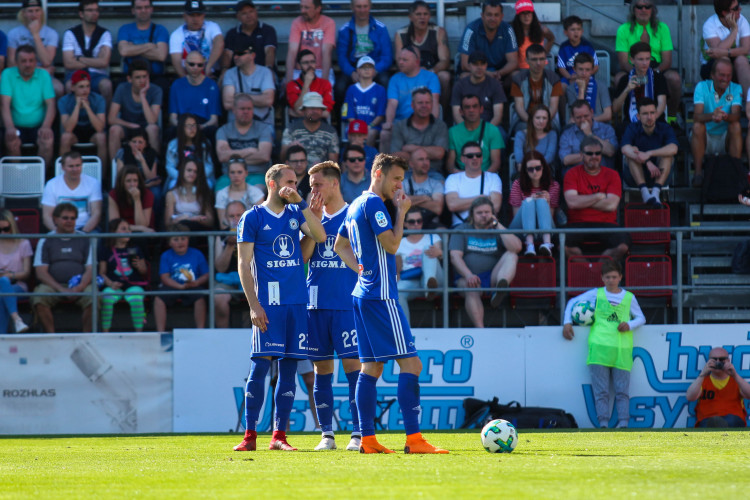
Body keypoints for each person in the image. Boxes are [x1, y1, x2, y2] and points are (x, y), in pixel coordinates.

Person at [333, 153, 448, 454]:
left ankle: (367, 440)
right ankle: (414, 439)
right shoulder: (373, 204)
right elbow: (393, 245)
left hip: (362, 294)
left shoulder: (355, 203)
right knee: (412, 363)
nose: (399, 185)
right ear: (379, 173)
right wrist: (401, 212)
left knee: (371, 369)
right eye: (396, 178)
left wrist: (359, 269)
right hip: (381, 296)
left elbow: (339, 245)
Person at [233, 163, 326, 452]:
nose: (294, 187)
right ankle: (249, 436)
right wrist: (253, 305)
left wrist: (305, 207)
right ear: (272, 184)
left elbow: (320, 237)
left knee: (288, 371)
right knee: (260, 367)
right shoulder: (253, 217)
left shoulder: (297, 214)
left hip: (297, 304)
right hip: (268, 306)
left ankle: (279, 437)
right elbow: (243, 264)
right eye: (289, 182)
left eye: (296, 183)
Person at [299, 161, 363, 451]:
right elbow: (303, 258)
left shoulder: (354, 214)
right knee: (321, 369)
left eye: (317, 185)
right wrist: (312, 222)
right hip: (316, 304)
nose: (312, 190)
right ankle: (326, 434)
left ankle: (358, 434)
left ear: (334, 183)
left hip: (347, 303)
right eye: (311, 186)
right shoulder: (311, 217)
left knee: (353, 367)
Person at [562, 260, 646, 429]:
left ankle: (623, 423)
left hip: (621, 349)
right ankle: (603, 424)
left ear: (620, 277)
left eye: (614, 277)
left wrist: (629, 325)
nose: (611, 280)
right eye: (607, 277)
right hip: (599, 348)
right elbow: (572, 302)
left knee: (622, 391)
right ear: (602, 278)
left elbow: (641, 318)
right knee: (601, 391)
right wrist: (567, 322)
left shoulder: (629, 297)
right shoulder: (596, 293)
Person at [449, 196, 521, 325]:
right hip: (468, 277)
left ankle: (500, 289)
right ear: (472, 214)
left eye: (487, 212)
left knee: (512, 255)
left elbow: (516, 247)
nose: (484, 216)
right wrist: (468, 275)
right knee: (470, 288)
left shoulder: (498, 229)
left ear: (493, 214)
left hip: (493, 277)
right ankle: (480, 331)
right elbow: (455, 257)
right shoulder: (461, 229)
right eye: (479, 213)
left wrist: (497, 225)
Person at [614, 0, 681, 123]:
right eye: (639, 7)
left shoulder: (663, 28)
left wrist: (653, 73)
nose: (643, 10)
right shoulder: (623, 29)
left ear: (652, 9)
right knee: (619, 79)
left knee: (675, 78)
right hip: (633, 66)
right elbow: (624, 62)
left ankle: (671, 118)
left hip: (656, 66)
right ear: (633, 9)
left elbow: (667, 61)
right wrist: (638, 73)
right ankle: (623, 118)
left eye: (647, 6)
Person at [563, 136, 629, 260]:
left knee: (623, 246)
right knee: (563, 244)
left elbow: (611, 205)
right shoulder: (571, 173)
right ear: (581, 155)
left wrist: (582, 199)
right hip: (577, 224)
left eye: (598, 153)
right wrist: (598, 196)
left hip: (607, 224)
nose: (594, 156)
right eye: (589, 153)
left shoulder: (612, 175)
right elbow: (572, 203)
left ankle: (599, 271)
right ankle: (588, 272)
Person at [32, 202, 93, 333]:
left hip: (80, 284)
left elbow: (90, 269)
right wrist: (60, 289)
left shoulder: (85, 239)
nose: (69, 221)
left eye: (73, 218)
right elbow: (41, 272)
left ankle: (87, 337)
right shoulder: (46, 240)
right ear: (55, 219)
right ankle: (51, 337)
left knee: (94, 295)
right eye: (65, 218)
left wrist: (80, 287)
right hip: (53, 286)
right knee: (39, 296)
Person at [691, 57, 742, 187]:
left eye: (729, 75)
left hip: (725, 138)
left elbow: (736, 116)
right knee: (697, 127)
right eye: (721, 75)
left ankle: (735, 173)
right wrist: (712, 116)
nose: (725, 78)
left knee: (735, 126)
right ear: (712, 75)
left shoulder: (736, 88)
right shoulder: (702, 87)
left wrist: (724, 116)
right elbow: (697, 116)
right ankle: (698, 174)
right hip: (705, 137)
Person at [0, 45, 55, 167]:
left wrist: (46, 126)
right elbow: (4, 104)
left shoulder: (44, 75)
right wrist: (9, 127)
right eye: (23, 61)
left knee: (47, 141)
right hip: (16, 126)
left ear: (36, 62)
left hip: (39, 126)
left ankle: (41, 179)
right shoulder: (7, 74)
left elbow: (51, 104)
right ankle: (18, 181)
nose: (28, 64)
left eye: (31, 60)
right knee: (11, 141)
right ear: (16, 62)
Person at [394, 1, 451, 112]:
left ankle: (442, 113)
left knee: (445, 77)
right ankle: (403, 113)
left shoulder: (438, 32)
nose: (422, 17)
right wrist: (417, 72)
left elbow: (445, 61)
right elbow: (399, 62)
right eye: (418, 14)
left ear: (429, 16)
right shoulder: (401, 34)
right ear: (410, 17)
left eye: (425, 14)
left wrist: (431, 71)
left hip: (432, 71)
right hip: (410, 71)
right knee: (396, 77)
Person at [621, 97, 678, 205]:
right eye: (645, 114)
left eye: (652, 113)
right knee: (631, 154)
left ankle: (655, 194)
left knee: (667, 155)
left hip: (660, 175)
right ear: (638, 116)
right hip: (634, 177)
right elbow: (625, 149)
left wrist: (648, 154)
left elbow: (673, 148)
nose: (649, 117)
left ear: (656, 114)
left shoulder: (665, 128)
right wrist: (647, 161)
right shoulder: (632, 128)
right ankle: (645, 194)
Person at [154, 223, 209, 331]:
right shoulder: (166, 255)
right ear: (169, 242)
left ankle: (200, 330)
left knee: (200, 298)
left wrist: (197, 283)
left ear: (188, 239)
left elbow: (206, 274)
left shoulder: (197, 254)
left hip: (193, 285)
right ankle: (160, 332)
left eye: (183, 238)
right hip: (173, 285)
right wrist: (179, 286)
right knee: (158, 299)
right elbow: (164, 277)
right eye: (176, 239)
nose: (180, 242)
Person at [97, 218, 149, 333]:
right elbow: (102, 273)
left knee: (136, 298)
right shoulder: (105, 249)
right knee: (107, 298)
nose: (128, 232)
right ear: (113, 232)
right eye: (123, 229)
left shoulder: (135, 249)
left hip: (133, 284)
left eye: (129, 229)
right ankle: (105, 333)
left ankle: (139, 334)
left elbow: (144, 272)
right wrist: (110, 283)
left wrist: (141, 267)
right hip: (113, 286)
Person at [335, 0, 391, 102]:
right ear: (352, 8)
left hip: (374, 65)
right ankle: (341, 117)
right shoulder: (345, 30)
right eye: (358, 6)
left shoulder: (380, 28)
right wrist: (352, 73)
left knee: (385, 82)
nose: (362, 10)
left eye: (365, 6)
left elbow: (387, 57)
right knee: (340, 87)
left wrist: (375, 70)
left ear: (370, 7)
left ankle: (385, 116)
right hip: (354, 66)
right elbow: (342, 57)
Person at [108, 59, 163, 160]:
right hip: (128, 127)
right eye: (138, 77)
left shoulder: (156, 90)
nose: (142, 81)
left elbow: (152, 120)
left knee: (153, 129)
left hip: (145, 128)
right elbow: (111, 118)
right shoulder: (122, 88)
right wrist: (130, 125)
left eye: (144, 77)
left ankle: (154, 167)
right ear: (129, 79)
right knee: (114, 130)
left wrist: (143, 96)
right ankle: (116, 170)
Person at [7, 0, 63, 96]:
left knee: (58, 89)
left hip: (44, 76)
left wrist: (35, 34)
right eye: (30, 11)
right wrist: (39, 69)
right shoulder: (14, 33)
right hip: (20, 75)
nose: (34, 14)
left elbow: (47, 61)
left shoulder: (51, 33)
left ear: (42, 12)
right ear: (23, 13)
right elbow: (11, 64)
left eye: (37, 10)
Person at [216, 94, 273, 188]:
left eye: (249, 108)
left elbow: (264, 156)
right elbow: (222, 156)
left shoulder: (264, 129)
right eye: (242, 109)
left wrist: (234, 158)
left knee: (258, 192)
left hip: (256, 175)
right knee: (220, 191)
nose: (246, 112)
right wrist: (249, 151)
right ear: (234, 110)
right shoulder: (223, 130)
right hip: (229, 177)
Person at [396, 207, 442, 322]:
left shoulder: (433, 237)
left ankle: (429, 287)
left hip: (436, 279)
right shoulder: (400, 243)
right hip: (413, 280)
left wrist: (440, 253)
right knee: (397, 291)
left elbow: (441, 255)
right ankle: (405, 332)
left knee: (428, 249)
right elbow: (397, 271)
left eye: (419, 221)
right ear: (405, 223)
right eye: (412, 222)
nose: (416, 224)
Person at [508, 151, 559, 256]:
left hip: (545, 229)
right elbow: (516, 215)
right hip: (521, 229)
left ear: (543, 167)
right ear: (525, 171)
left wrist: (547, 202)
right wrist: (530, 200)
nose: (535, 172)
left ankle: (547, 244)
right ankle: (529, 245)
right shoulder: (517, 184)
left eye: (538, 168)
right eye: (530, 169)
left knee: (541, 200)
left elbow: (551, 217)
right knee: (528, 201)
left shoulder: (553, 185)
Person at [62, 0, 113, 103]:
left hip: (97, 75)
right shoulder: (70, 33)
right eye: (90, 10)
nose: (94, 13)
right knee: (69, 86)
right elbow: (68, 63)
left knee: (107, 85)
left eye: (96, 10)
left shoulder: (105, 34)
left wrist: (78, 58)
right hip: (75, 74)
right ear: (81, 14)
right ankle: (70, 118)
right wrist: (95, 61)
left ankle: (105, 118)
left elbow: (104, 63)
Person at [686, 347, 750, 428]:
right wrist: (702, 374)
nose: (718, 362)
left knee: (730, 420)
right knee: (712, 422)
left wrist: (735, 375)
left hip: (733, 421)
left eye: (722, 359)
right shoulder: (703, 381)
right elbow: (690, 397)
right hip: (708, 420)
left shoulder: (737, 381)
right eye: (714, 360)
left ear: (728, 361)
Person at [390, 87, 448, 174]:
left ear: (432, 105)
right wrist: (428, 154)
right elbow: (395, 156)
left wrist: (411, 148)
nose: (424, 106)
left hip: (433, 173)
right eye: (420, 103)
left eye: (427, 102)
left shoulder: (440, 126)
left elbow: (439, 153)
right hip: (406, 172)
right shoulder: (400, 126)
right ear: (412, 105)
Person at [458, 0, 518, 83]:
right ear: (482, 16)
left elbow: (513, 62)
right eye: (489, 15)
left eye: (496, 15)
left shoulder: (508, 30)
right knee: (464, 76)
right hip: (476, 72)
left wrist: (498, 73)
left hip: (500, 73)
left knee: (516, 75)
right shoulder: (471, 29)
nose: (492, 19)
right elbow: (464, 65)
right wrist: (486, 74)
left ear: (502, 16)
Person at [41, 151, 102, 233]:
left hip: (86, 228)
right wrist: (57, 232)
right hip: (60, 229)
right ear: (63, 167)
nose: (75, 169)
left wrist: (83, 233)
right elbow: (46, 216)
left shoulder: (93, 183)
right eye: (71, 166)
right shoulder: (51, 185)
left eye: (78, 165)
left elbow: (96, 213)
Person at [445, 142, 503, 227]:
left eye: (478, 155)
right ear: (462, 159)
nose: (475, 158)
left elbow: (496, 206)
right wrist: (481, 198)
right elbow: (452, 205)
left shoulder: (493, 178)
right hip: (461, 227)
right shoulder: (453, 178)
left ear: (482, 158)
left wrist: (462, 203)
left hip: (487, 225)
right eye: (470, 156)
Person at [701, 0, 750, 100]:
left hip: (738, 66)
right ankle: (723, 105)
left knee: (741, 61)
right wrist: (734, 30)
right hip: (711, 66)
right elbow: (717, 53)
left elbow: (746, 49)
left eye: (739, 5)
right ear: (724, 13)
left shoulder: (742, 20)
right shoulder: (709, 25)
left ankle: (749, 102)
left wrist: (726, 52)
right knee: (724, 61)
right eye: (736, 8)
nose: (740, 9)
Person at [612, 42, 667, 131]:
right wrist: (627, 89)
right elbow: (615, 108)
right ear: (632, 60)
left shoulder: (658, 78)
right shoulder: (625, 79)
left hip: (655, 121)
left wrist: (649, 120)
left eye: (647, 59)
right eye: (641, 59)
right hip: (631, 123)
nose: (645, 63)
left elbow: (662, 104)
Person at [510, 43, 562, 133]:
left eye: (541, 59)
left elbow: (553, 107)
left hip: (547, 118)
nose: (538, 63)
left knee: (552, 129)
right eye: (534, 59)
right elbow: (520, 108)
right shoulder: (518, 79)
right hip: (526, 119)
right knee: (521, 129)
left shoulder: (554, 79)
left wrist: (543, 121)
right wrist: (533, 122)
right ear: (527, 60)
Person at [446, 94, 504, 174]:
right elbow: (450, 165)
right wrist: (465, 177)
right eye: (467, 107)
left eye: (475, 106)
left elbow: (496, 163)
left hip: (485, 175)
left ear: (481, 109)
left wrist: (481, 178)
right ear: (461, 111)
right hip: (461, 175)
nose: (471, 110)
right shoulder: (452, 132)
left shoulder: (493, 130)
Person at [222, 41, 275, 129]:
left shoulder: (265, 72)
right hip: (236, 126)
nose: (235, 57)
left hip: (262, 124)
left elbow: (268, 100)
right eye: (235, 54)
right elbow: (227, 103)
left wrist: (240, 96)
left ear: (252, 55)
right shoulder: (230, 73)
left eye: (240, 54)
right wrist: (258, 99)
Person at [58, 69, 106, 161]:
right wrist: (77, 106)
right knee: (65, 137)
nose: (85, 90)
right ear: (72, 87)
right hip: (75, 132)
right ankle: (63, 173)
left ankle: (102, 174)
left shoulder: (98, 99)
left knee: (101, 137)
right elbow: (68, 128)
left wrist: (87, 108)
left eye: (88, 86)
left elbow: (100, 128)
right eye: (81, 87)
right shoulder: (64, 101)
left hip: (92, 131)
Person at [284, 0, 336, 86]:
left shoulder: (328, 23)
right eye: (301, 7)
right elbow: (292, 52)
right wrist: (289, 81)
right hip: (300, 70)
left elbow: (327, 53)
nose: (302, 11)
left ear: (318, 8)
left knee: (324, 94)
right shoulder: (297, 22)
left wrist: (324, 83)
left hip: (320, 69)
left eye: (306, 8)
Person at [281, 92, 339, 167]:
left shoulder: (330, 131)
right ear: (303, 110)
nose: (315, 111)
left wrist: (321, 167)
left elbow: (333, 163)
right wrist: (289, 148)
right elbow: (282, 159)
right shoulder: (291, 129)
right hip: (296, 173)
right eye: (311, 108)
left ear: (322, 111)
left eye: (318, 109)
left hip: (321, 174)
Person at [451, 51, 507, 129]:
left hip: (489, 127)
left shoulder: (495, 85)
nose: (479, 67)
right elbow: (457, 115)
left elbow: (498, 116)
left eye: (482, 64)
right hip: (466, 127)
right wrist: (468, 131)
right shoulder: (459, 85)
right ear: (469, 66)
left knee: (501, 135)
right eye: (475, 64)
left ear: (486, 65)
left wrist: (484, 132)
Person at [116, 0, 169, 83]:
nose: (143, 10)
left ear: (151, 9)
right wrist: (149, 46)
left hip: (155, 77)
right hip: (130, 78)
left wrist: (133, 48)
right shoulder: (125, 29)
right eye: (139, 8)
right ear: (133, 11)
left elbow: (161, 56)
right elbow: (124, 51)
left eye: (146, 7)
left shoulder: (160, 30)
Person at [168, 50, 220, 135]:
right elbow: (172, 117)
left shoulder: (212, 85)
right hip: (183, 122)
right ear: (185, 64)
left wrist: (201, 127)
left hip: (203, 124)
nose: (195, 67)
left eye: (199, 65)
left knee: (212, 131)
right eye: (192, 64)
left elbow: (214, 118)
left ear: (203, 66)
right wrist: (183, 127)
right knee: (170, 132)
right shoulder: (177, 85)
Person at [559, 100, 618, 173]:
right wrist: (596, 152)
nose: (583, 120)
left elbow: (611, 151)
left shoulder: (606, 129)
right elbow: (565, 160)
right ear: (573, 117)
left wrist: (590, 134)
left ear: (592, 113)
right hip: (577, 178)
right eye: (578, 117)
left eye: (586, 116)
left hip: (602, 177)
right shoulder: (567, 134)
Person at [169, 0, 224, 79]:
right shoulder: (176, 34)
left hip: (211, 75)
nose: (195, 19)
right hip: (188, 76)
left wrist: (208, 67)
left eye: (198, 15)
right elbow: (176, 62)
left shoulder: (212, 26)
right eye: (191, 15)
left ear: (204, 15)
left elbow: (219, 43)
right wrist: (187, 81)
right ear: (184, 16)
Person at [214, 200, 246, 329]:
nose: (236, 219)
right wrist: (229, 245)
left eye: (239, 215)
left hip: (253, 280)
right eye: (232, 216)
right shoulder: (221, 236)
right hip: (227, 280)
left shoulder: (258, 232)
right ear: (226, 218)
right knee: (219, 297)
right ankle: (223, 338)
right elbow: (220, 268)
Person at [341, 56, 386, 146]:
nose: (367, 69)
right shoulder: (351, 89)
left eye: (370, 67)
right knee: (355, 135)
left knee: (371, 133)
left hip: (372, 127)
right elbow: (348, 113)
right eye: (363, 67)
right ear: (357, 70)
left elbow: (380, 115)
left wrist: (369, 127)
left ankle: (367, 157)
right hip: (355, 126)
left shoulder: (380, 89)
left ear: (374, 71)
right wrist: (359, 127)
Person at [0, 210, 32, 334]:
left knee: (3, 284)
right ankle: (17, 320)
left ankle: (1, 337)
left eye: (6, 229)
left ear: (12, 226)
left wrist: (9, 276)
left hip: (18, 286)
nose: (2, 233)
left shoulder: (23, 243)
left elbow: (26, 273)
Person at [222, 0, 277, 71]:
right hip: (239, 73)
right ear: (238, 17)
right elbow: (227, 55)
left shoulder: (268, 30)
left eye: (251, 11)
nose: (249, 16)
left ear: (256, 12)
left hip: (263, 71)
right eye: (244, 13)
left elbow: (270, 51)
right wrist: (224, 71)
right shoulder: (232, 33)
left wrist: (268, 70)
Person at [166, 113, 215, 191]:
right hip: (179, 178)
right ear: (182, 127)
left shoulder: (205, 144)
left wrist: (196, 176)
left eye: (194, 125)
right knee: (172, 185)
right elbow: (170, 167)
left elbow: (209, 166)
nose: (192, 128)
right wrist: (184, 177)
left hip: (201, 177)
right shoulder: (173, 145)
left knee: (208, 185)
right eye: (188, 126)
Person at [164, 157, 215, 231]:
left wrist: (195, 219)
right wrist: (184, 218)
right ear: (182, 171)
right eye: (189, 170)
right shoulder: (171, 194)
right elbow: (167, 223)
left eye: (195, 171)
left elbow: (210, 222)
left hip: (198, 230)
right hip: (179, 231)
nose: (192, 174)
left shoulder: (204, 193)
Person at [114, 127, 163, 203]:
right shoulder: (123, 152)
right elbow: (121, 176)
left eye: (140, 142)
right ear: (129, 143)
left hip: (147, 185)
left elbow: (151, 178)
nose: (137, 145)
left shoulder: (152, 154)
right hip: (128, 184)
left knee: (156, 192)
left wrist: (142, 161)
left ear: (145, 144)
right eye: (134, 142)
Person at [215, 158, 264, 229]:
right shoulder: (221, 194)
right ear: (228, 174)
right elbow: (223, 225)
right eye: (232, 172)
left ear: (246, 173)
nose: (236, 175)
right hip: (229, 236)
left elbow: (259, 221)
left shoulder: (256, 193)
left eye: (239, 172)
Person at [286, 49, 334, 119]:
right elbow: (298, 108)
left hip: (320, 124)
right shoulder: (291, 85)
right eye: (306, 63)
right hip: (299, 124)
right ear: (299, 65)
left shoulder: (325, 84)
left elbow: (326, 113)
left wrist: (297, 114)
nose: (310, 65)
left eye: (312, 62)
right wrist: (306, 84)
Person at [565, 52, 612, 123]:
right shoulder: (570, 89)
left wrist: (589, 120)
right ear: (574, 69)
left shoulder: (601, 86)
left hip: (599, 124)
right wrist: (581, 90)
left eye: (587, 70)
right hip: (578, 125)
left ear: (592, 70)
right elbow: (576, 114)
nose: (584, 73)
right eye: (581, 69)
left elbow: (608, 115)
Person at [404, 147, 444, 228]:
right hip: (409, 224)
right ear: (411, 164)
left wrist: (411, 201)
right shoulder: (402, 184)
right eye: (421, 159)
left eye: (427, 159)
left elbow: (437, 208)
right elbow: (399, 204)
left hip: (431, 224)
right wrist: (425, 198)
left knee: (443, 231)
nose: (425, 163)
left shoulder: (436, 184)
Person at [109, 165, 155, 233]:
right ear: (122, 182)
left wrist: (137, 200)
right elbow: (115, 224)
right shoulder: (113, 194)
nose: (132, 184)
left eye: (135, 181)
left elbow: (143, 224)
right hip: (122, 231)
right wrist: (139, 228)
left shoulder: (147, 194)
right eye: (128, 181)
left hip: (142, 232)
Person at [511, 0, 555, 70]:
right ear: (518, 15)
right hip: (521, 69)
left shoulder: (542, 29)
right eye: (523, 13)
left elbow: (551, 39)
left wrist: (543, 54)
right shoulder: (512, 31)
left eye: (529, 12)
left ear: (533, 14)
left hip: (539, 67)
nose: (526, 16)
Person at [556, 15, 599, 85]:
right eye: (573, 29)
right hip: (569, 78)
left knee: (595, 87)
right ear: (565, 32)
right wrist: (570, 77)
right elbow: (561, 68)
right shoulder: (563, 47)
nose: (576, 32)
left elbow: (596, 66)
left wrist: (585, 76)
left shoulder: (588, 46)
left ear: (582, 31)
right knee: (561, 87)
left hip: (586, 77)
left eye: (578, 29)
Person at [513, 104, 558, 169]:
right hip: (525, 170)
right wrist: (531, 168)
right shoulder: (520, 135)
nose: (541, 121)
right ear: (531, 119)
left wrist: (535, 167)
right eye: (538, 118)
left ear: (548, 120)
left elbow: (550, 157)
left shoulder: (552, 135)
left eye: (544, 118)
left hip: (544, 170)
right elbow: (519, 158)